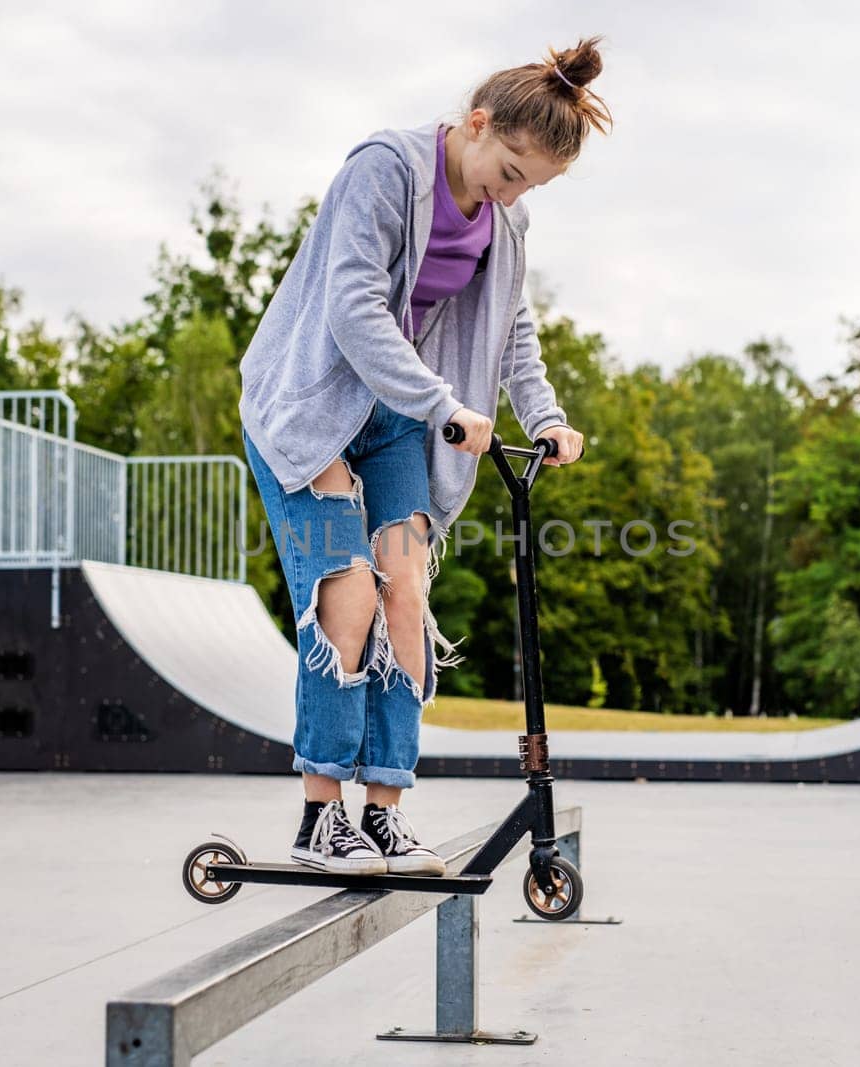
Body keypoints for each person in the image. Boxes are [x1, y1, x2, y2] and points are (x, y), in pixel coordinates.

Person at [238, 37, 612, 875]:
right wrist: (443, 403)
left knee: (404, 592)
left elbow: (511, 330)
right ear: (476, 124)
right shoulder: (385, 169)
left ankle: (383, 811)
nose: (512, 194)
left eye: (531, 186)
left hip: (400, 419)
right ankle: (319, 817)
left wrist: (546, 418)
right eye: (509, 170)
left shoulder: (508, 219)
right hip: (310, 405)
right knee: (347, 591)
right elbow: (352, 306)